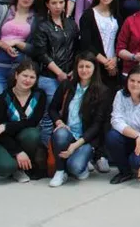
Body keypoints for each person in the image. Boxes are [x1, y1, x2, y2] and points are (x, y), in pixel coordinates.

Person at [47, 56, 109, 187]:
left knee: (75, 168)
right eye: (81, 66)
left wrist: (75, 146)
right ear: (76, 68)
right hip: (68, 134)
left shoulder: (102, 91)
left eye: (88, 67)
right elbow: (52, 108)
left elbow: (97, 125)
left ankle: (82, 164)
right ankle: (60, 171)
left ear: (94, 69)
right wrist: (59, 122)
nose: (84, 70)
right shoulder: (67, 85)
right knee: (60, 133)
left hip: (86, 139)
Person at [32, 0, 81, 145]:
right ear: (47, 4)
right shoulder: (42, 26)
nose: (58, 6)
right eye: (54, 3)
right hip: (50, 76)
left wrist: (74, 69)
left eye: (61, 2)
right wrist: (58, 72)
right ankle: (48, 154)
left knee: (70, 114)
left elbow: (76, 48)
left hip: (71, 75)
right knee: (49, 117)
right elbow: (41, 53)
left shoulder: (71, 24)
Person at [0, 61, 48, 182]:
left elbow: (32, 122)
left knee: (32, 134)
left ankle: (21, 167)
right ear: (16, 75)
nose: (27, 80)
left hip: (20, 137)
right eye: (24, 75)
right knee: (5, 168)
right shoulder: (3, 98)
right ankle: (6, 164)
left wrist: (6, 126)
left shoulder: (40, 96)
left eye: (32, 77)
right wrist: (18, 152)